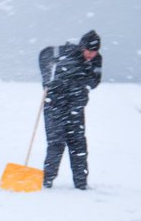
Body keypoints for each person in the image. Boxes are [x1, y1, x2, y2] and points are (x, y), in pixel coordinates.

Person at [39, 30, 101, 189]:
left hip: (76, 107)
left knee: (78, 145)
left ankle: (81, 184)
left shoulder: (95, 60)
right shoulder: (65, 52)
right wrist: (47, 80)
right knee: (56, 143)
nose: (91, 55)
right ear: (82, 47)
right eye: (89, 51)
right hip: (55, 105)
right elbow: (44, 54)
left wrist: (88, 68)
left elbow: (94, 83)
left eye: (94, 52)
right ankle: (46, 182)